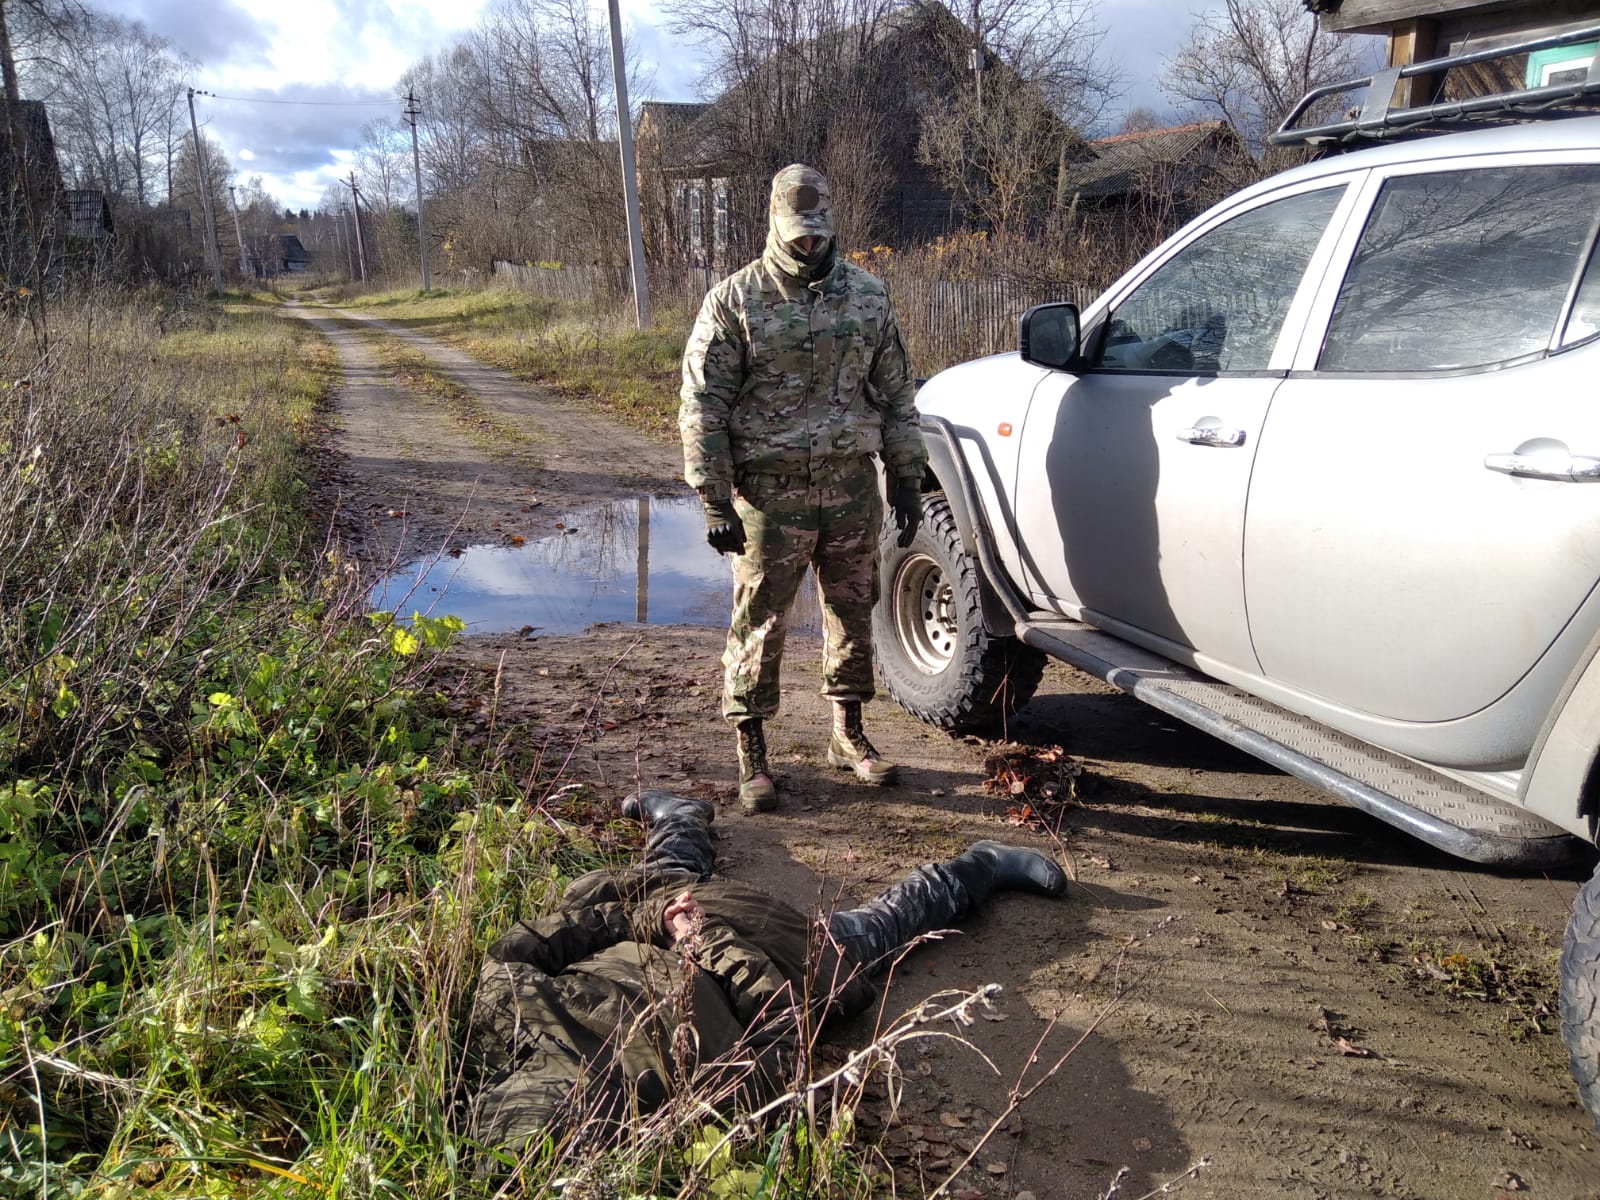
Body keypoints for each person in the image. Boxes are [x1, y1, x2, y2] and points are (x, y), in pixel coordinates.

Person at [462, 789, 1067, 1149]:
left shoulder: (501, 1027)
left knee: (672, 867)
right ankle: (980, 867)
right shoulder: (678, 1111)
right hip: (765, 948)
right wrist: (704, 938)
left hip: (654, 911)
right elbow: (781, 1032)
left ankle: (680, 814)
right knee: (883, 928)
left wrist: (647, 918)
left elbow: (533, 941)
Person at [679, 163, 928, 814]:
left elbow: (898, 393)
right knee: (759, 623)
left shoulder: (869, 297)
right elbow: (703, 403)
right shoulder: (735, 302)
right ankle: (752, 755)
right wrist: (712, 494)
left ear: (831, 226)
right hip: (771, 496)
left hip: (849, 487)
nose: (809, 246)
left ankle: (846, 735)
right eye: (798, 236)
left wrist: (905, 471)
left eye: (818, 235)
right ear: (774, 225)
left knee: (854, 610)